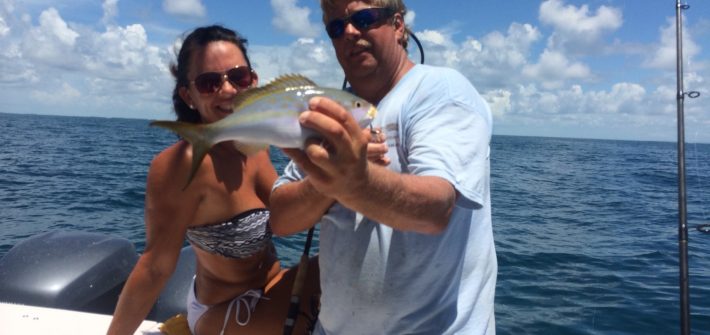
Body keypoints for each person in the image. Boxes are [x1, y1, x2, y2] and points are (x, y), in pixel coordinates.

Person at [269, 0, 497, 334]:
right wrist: (326, 181)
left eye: (363, 18)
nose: (348, 31)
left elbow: (435, 209)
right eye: (336, 27)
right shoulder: (329, 113)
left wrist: (355, 182)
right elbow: (280, 219)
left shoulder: (440, 91)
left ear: (398, 26)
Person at [107, 25, 322, 335]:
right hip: (228, 312)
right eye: (209, 83)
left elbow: (284, 217)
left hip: (274, 287)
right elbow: (155, 268)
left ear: (254, 82)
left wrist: (335, 175)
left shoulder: (256, 145)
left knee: (352, 265)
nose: (228, 90)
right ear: (188, 95)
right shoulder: (180, 165)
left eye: (238, 77)